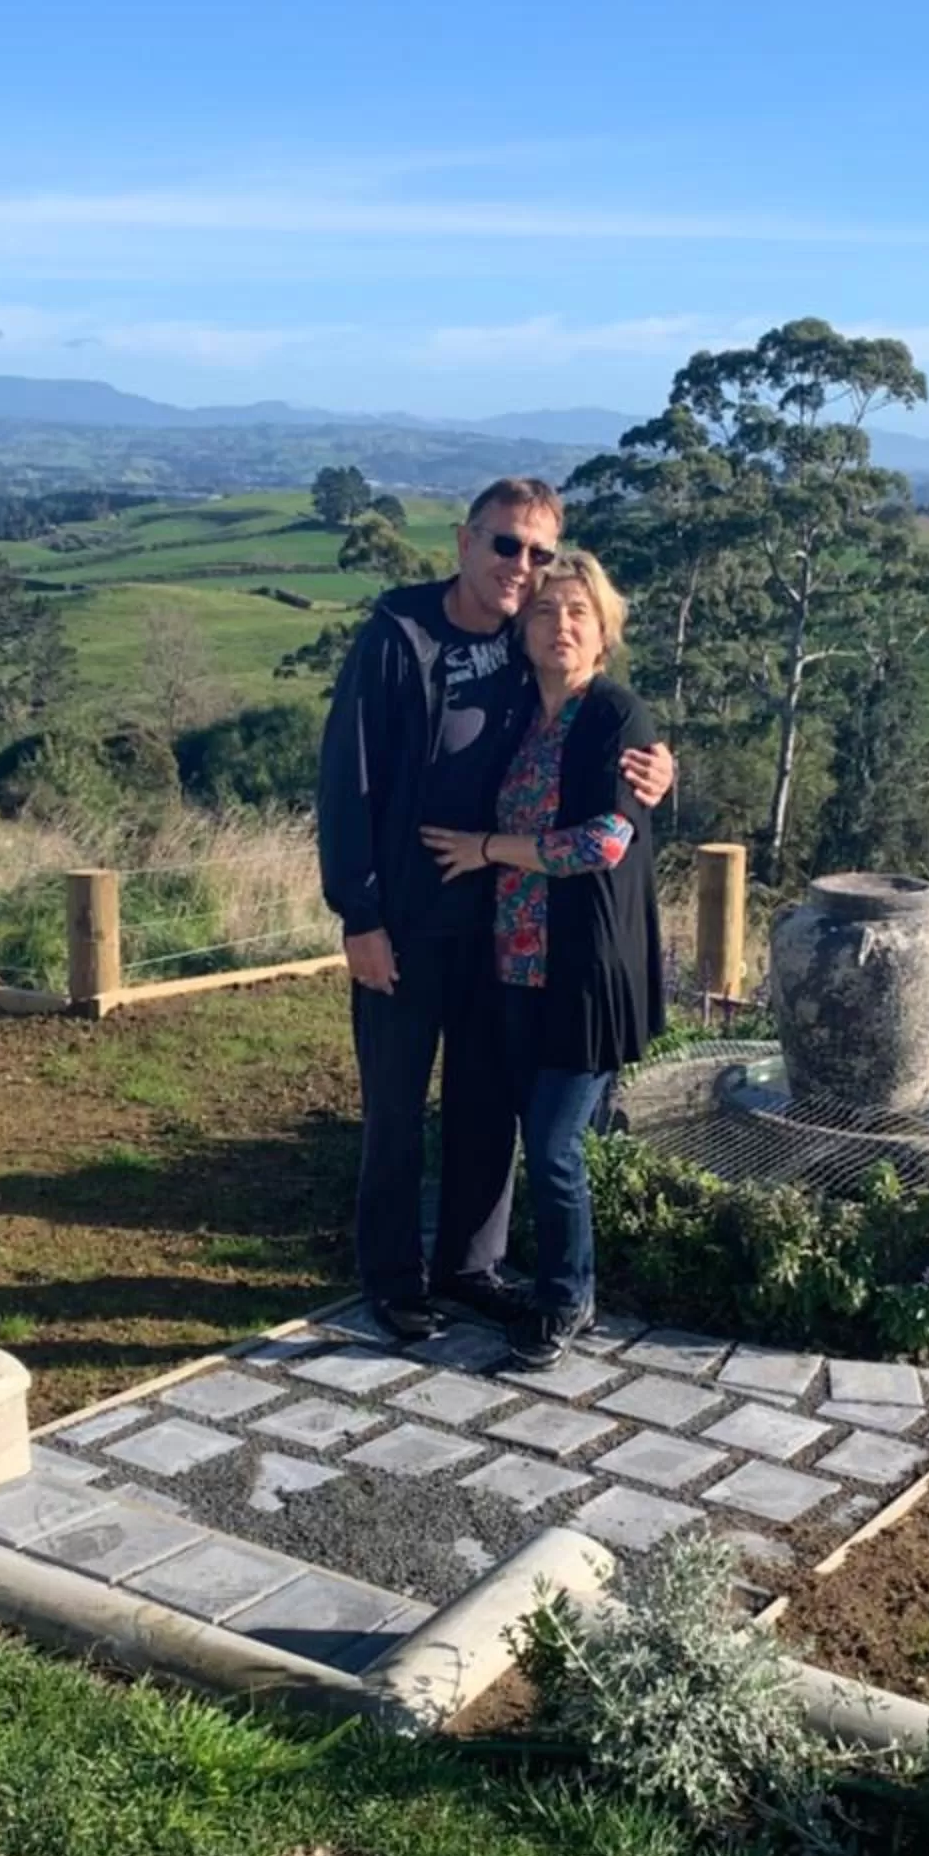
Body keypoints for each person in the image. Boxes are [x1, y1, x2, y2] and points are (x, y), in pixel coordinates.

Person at [315, 479, 669, 1341]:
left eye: (538, 553)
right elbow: (346, 781)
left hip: (497, 932)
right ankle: (392, 1279)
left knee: (482, 1110)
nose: (522, 566)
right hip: (403, 924)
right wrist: (359, 915)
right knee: (396, 1109)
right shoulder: (399, 638)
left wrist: (661, 774)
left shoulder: (524, 644)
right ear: (464, 542)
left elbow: (596, 733)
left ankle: (470, 1269)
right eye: (506, 544)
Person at [419, 549, 665, 1371]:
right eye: (546, 611)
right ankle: (493, 1276)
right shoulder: (518, 713)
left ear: (603, 632)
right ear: (523, 631)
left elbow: (604, 842)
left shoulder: (617, 716)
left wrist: (488, 848)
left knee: (556, 1145)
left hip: (584, 972)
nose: (561, 625)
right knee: (515, 1131)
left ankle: (568, 1300)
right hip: (510, 967)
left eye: (578, 613)